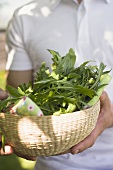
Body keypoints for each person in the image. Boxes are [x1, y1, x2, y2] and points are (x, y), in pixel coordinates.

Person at [4, 0, 113, 169]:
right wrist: (21, 136)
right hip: (53, 163)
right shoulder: (25, 17)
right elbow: (19, 98)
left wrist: (109, 117)